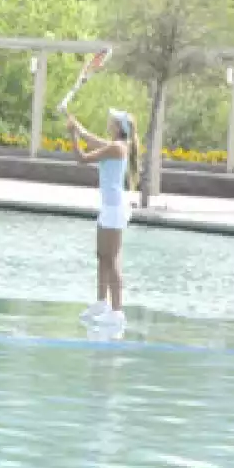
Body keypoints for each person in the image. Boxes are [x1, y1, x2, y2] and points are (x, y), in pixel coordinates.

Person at [67, 107, 140, 330]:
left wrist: (72, 136)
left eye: (112, 121)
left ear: (118, 127)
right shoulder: (114, 146)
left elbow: (82, 158)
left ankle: (117, 311)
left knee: (112, 258)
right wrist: (76, 125)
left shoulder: (117, 148)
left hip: (115, 209)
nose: (109, 122)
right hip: (108, 207)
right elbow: (91, 138)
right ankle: (101, 303)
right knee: (101, 255)